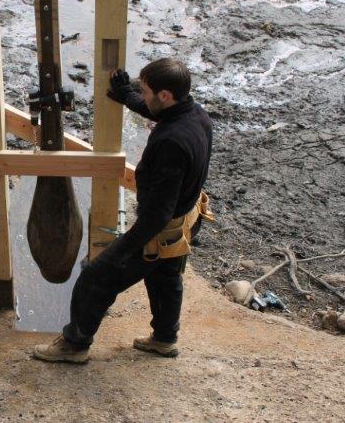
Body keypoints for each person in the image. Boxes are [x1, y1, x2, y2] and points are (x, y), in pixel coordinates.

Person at [33, 58, 212, 363]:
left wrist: (123, 248)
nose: (142, 96)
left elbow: (157, 212)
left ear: (165, 95)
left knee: (94, 277)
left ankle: (75, 345)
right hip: (183, 223)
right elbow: (156, 111)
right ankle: (165, 340)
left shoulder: (172, 143)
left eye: (144, 91)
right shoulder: (196, 115)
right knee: (166, 279)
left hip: (160, 228)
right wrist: (127, 96)